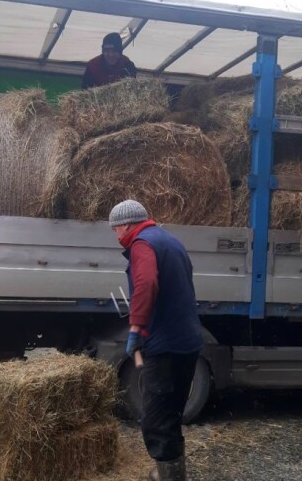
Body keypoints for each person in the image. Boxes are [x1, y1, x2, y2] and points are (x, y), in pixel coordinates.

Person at [109, 199, 203, 481]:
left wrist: (136, 327)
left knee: (155, 418)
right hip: (187, 340)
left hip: (165, 345)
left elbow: (146, 283)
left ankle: (170, 476)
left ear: (125, 225)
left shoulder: (142, 244)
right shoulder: (169, 240)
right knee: (172, 411)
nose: (116, 236)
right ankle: (172, 471)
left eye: (115, 230)